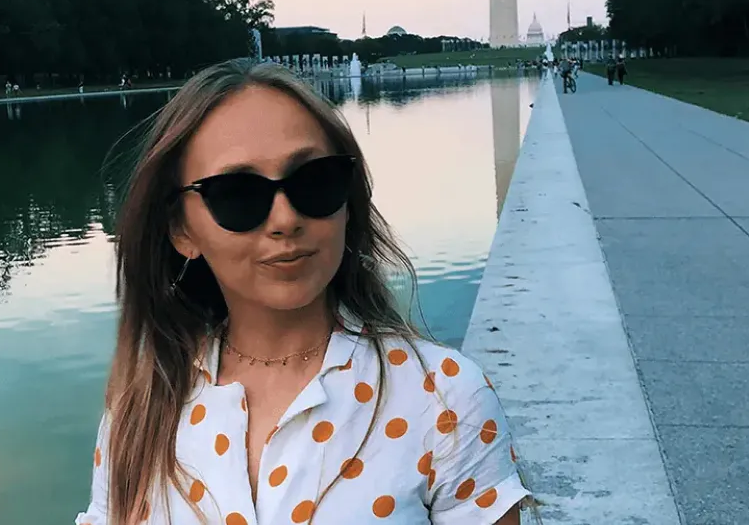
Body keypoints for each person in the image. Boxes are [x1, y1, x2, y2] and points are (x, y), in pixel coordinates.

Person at [76, 60, 531, 525]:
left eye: (315, 182)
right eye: (237, 194)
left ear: (347, 204)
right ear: (181, 230)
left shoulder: (443, 399)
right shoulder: (141, 411)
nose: (285, 218)